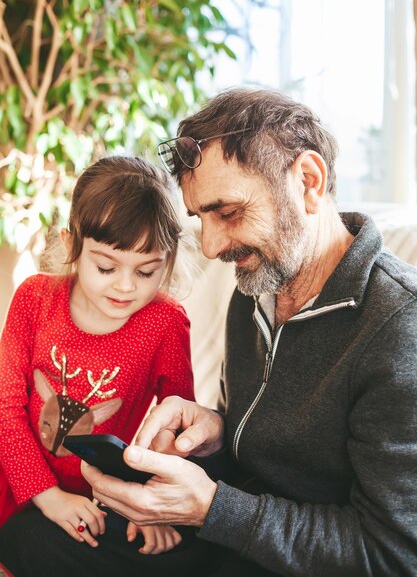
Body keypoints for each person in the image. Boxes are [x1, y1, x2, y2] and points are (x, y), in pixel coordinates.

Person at [2, 88, 417, 576]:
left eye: (229, 212)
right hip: (225, 535)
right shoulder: (258, 284)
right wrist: (215, 432)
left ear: (308, 180)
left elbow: (391, 554)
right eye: (201, 219)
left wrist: (211, 508)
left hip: (284, 555)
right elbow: (264, 447)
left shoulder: (398, 327)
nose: (214, 245)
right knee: (28, 538)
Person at [0, 155, 195, 566]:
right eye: (106, 267)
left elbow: (177, 424)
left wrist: (152, 503)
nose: (125, 286)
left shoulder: (165, 322)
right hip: (14, 480)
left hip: (100, 497)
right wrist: (47, 496)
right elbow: (6, 410)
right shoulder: (34, 299)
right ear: (72, 246)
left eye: (146, 272)